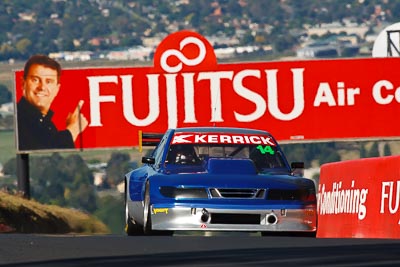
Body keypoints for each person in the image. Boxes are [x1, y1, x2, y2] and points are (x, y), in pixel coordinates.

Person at [17, 54, 88, 151]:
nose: (42, 87)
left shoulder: (46, 122)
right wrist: (73, 130)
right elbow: (41, 149)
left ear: (57, 89)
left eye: (48, 81)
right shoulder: (19, 118)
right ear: (23, 83)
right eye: (35, 80)